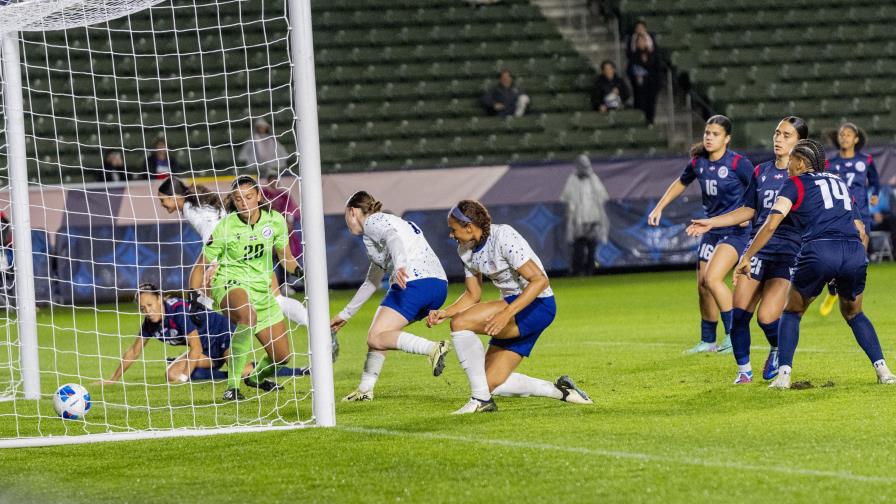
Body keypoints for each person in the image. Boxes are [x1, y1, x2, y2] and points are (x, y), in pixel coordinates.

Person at [734, 139, 896, 388]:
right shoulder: (840, 182)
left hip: (820, 250)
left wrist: (746, 257)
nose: (788, 166)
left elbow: (770, 224)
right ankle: (884, 371)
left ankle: (783, 377)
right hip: (853, 251)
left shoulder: (794, 183)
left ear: (800, 162)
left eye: (791, 161)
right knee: (854, 313)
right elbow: (860, 228)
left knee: (791, 312)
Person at [428, 200, 592, 414]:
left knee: (461, 323)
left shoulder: (503, 236)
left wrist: (505, 313)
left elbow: (540, 281)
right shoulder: (465, 250)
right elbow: (472, 294)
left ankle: (480, 401)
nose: (451, 235)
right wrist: (446, 312)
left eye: (453, 229)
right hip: (514, 309)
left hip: (538, 306)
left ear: (469, 226)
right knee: (488, 383)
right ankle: (560, 391)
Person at [687, 117, 809, 383]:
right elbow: (748, 210)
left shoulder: (804, 177)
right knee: (739, 316)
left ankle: (777, 350)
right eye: (777, 133)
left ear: (799, 142)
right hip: (756, 252)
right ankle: (744, 372)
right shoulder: (760, 171)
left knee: (766, 318)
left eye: (787, 135)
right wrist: (711, 222)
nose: (778, 138)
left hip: (787, 254)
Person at [330, 191, 451, 401]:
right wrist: (346, 314)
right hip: (438, 286)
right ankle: (365, 390)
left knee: (375, 336)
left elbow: (393, 238)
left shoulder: (373, 222)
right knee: (379, 334)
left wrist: (400, 265)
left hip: (413, 282)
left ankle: (432, 348)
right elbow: (372, 281)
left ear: (352, 211)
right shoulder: (384, 227)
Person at [648, 115, 754, 354]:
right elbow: (680, 183)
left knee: (712, 279)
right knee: (703, 286)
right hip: (711, 229)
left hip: (736, 231)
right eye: (707, 133)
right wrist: (659, 206)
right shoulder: (698, 163)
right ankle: (708, 340)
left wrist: (750, 215)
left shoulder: (739, 164)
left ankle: (733, 335)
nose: (709, 137)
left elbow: (756, 189)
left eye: (715, 134)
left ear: (727, 138)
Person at [191, 175, 301, 401]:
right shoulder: (225, 227)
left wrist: (303, 274)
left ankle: (256, 377)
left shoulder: (275, 221)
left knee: (282, 357)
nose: (244, 203)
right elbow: (202, 264)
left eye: (249, 197)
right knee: (247, 315)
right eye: (238, 199)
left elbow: (286, 258)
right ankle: (232, 387)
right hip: (230, 284)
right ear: (233, 200)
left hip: (262, 291)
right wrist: (194, 297)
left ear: (259, 196)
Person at [157, 177, 310, 332]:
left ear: (174, 196)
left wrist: (215, 262)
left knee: (205, 298)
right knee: (277, 299)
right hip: (249, 248)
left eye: (163, 200)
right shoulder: (197, 202)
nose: (162, 205)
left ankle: (209, 343)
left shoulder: (190, 209)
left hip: (232, 253)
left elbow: (210, 229)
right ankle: (316, 324)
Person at [96, 283, 250, 384]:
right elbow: (134, 351)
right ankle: (224, 376)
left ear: (159, 299)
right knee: (172, 375)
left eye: (150, 305)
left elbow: (195, 348)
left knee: (241, 371)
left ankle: (272, 367)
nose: (148, 311)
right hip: (206, 350)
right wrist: (113, 379)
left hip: (223, 334)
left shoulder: (177, 311)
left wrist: (184, 378)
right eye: (143, 308)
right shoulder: (150, 323)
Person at [817, 123, 880, 316]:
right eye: (842, 134)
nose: (844, 137)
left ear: (856, 139)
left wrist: (875, 193)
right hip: (837, 217)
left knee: (858, 258)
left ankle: (852, 297)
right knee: (832, 259)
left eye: (848, 134)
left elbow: (875, 180)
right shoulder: (830, 163)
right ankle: (832, 291)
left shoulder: (866, 160)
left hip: (861, 214)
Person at [561, 154, 610, 276]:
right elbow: (567, 199)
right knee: (578, 248)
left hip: (593, 219)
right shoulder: (573, 180)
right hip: (578, 220)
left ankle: (590, 270)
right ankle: (577, 271)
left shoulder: (594, 179)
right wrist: (570, 217)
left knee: (592, 247)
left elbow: (602, 197)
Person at [627, 33, 663, 126]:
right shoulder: (633, 57)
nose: (641, 43)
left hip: (652, 86)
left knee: (651, 106)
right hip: (639, 88)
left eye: (643, 40)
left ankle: (650, 122)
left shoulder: (653, 55)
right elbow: (630, 71)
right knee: (640, 106)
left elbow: (658, 70)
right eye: (639, 41)